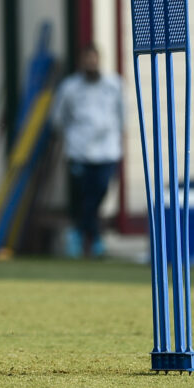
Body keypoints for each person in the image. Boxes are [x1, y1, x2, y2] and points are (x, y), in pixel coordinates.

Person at [52, 44, 124, 258]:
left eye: (94, 59)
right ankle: (93, 239)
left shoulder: (114, 85)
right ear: (81, 62)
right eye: (87, 59)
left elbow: (122, 115)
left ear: (99, 60)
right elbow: (58, 118)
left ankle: (81, 231)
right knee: (83, 195)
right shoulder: (70, 87)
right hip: (79, 151)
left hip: (107, 151)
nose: (91, 63)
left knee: (100, 191)